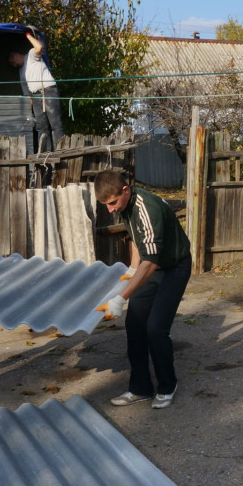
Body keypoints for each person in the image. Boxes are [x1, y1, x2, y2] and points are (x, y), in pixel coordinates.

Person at [94, 170, 192, 408]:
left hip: (173, 267)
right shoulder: (125, 206)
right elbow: (138, 239)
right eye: (105, 205)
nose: (110, 209)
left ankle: (167, 386)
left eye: (112, 202)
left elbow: (151, 262)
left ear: (125, 190)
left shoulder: (147, 207)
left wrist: (120, 298)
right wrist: (131, 269)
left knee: (156, 329)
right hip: (152, 265)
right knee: (135, 325)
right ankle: (140, 389)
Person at [8, 28, 65, 152]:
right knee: (41, 127)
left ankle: (62, 151)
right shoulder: (21, 71)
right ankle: (45, 154)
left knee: (55, 124)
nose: (14, 65)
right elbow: (25, 90)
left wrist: (28, 35)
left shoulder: (31, 55)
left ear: (16, 56)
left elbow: (39, 47)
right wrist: (30, 104)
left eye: (13, 62)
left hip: (48, 90)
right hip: (36, 95)